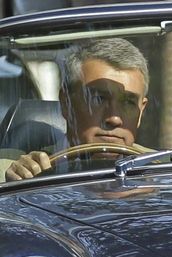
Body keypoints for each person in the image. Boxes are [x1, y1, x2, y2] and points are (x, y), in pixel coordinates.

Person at [2, 38, 149, 181]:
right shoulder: (15, 169)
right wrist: (20, 183)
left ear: (141, 112)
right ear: (67, 103)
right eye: (98, 99)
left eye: (129, 102)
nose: (114, 118)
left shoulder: (166, 169)